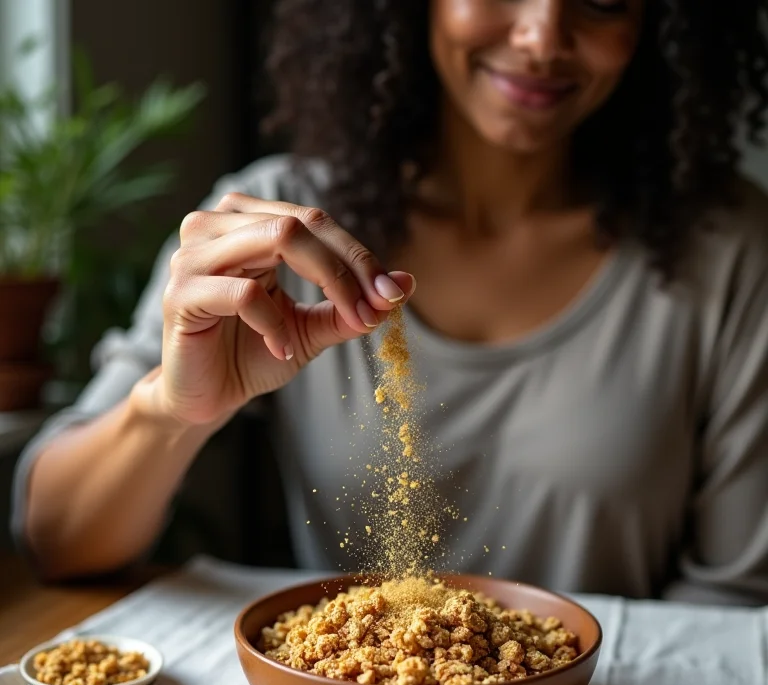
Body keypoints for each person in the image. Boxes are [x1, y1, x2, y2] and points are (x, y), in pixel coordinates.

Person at [12, 0, 768, 604]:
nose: (542, 36)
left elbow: (735, 601)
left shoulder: (729, 253)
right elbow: (57, 540)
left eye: (601, 1)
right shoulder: (276, 229)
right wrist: (176, 410)